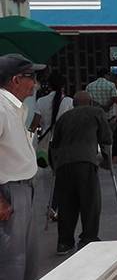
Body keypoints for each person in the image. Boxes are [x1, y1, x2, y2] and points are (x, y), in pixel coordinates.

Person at [0, 54, 45, 280]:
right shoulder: (1, 107)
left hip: (25, 187)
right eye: (31, 76)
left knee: (27, 259)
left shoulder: (17, 108)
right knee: (9, 263)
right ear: (16, 80)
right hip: (9, 192)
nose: (35, 82)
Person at [50, 91, 112, 255]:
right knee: (90, 201)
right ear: (91, 102)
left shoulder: (64, 117)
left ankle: (64, 242)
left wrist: (55, 166)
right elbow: (106, 139)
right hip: (85, 162)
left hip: (63, 164)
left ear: (74, 104)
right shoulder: (97, 112)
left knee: (66, 204)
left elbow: (55, 144)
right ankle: (88, 238)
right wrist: (107, 159)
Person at [29, 73, 74, 220]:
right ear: (63, 86)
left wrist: (26, 141)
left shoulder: (41, 101)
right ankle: (54, 206)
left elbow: (35, 124)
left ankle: (55, 206)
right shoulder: (68, 101)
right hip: (65, 143)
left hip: (49, 145)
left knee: (58, 175)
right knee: (63, 177)